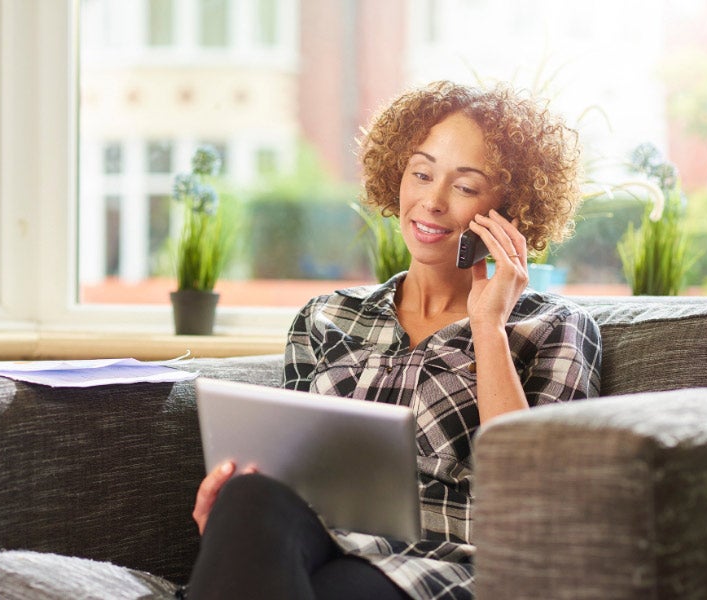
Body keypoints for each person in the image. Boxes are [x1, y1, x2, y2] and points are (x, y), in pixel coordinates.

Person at [187, 80, 602, 599]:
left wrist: (488, 327)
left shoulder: (552, 327)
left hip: (443, 567)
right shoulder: (326, 316)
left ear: (511, 209)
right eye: (421, 174)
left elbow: (532, 491)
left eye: (465, 187)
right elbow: (287, 472)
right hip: (316, 543)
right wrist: (231, 522)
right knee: (248, 498)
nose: (431, 201)